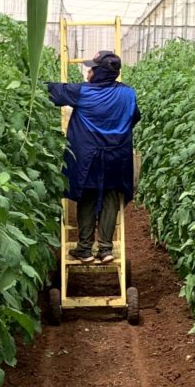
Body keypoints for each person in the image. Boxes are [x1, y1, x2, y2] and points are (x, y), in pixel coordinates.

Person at [46, 50, 140, 264]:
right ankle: (106, 249)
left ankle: (85, 249)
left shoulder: (83, 92)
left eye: (92, 68)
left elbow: (53, 92)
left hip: (88, 157)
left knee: (87, 199)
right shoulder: (128, 94)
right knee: (110, 198)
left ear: (100, 72)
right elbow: (134, 117)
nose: (88, 71)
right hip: (116, 157)